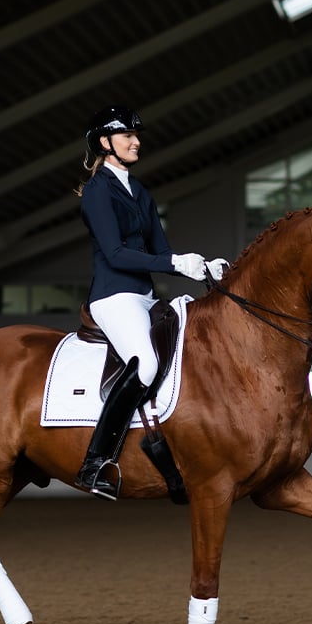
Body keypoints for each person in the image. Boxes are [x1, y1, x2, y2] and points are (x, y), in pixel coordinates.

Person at [74, 105, 228, 499]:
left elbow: (162, 251)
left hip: (144, 297)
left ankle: (166, 447)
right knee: (145, 364)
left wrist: (202, 266)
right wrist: (174, 262)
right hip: (113, 296)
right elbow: (114, 253)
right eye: (127, 136)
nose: (136, 141)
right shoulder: (97, 191)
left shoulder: (140, 191)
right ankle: (95, 463)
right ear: (105, 143)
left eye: (135, 135)